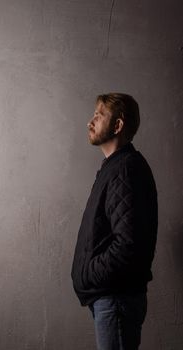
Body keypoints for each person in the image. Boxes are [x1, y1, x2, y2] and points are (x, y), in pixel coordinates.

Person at [71, 93, 158, 350]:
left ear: (118, 125)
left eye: (99, 116)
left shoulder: (126, 168)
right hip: (110, 299)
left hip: (116, 300)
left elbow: (128, 246)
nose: (90, 122)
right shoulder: (115, 167)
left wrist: (88, 274)